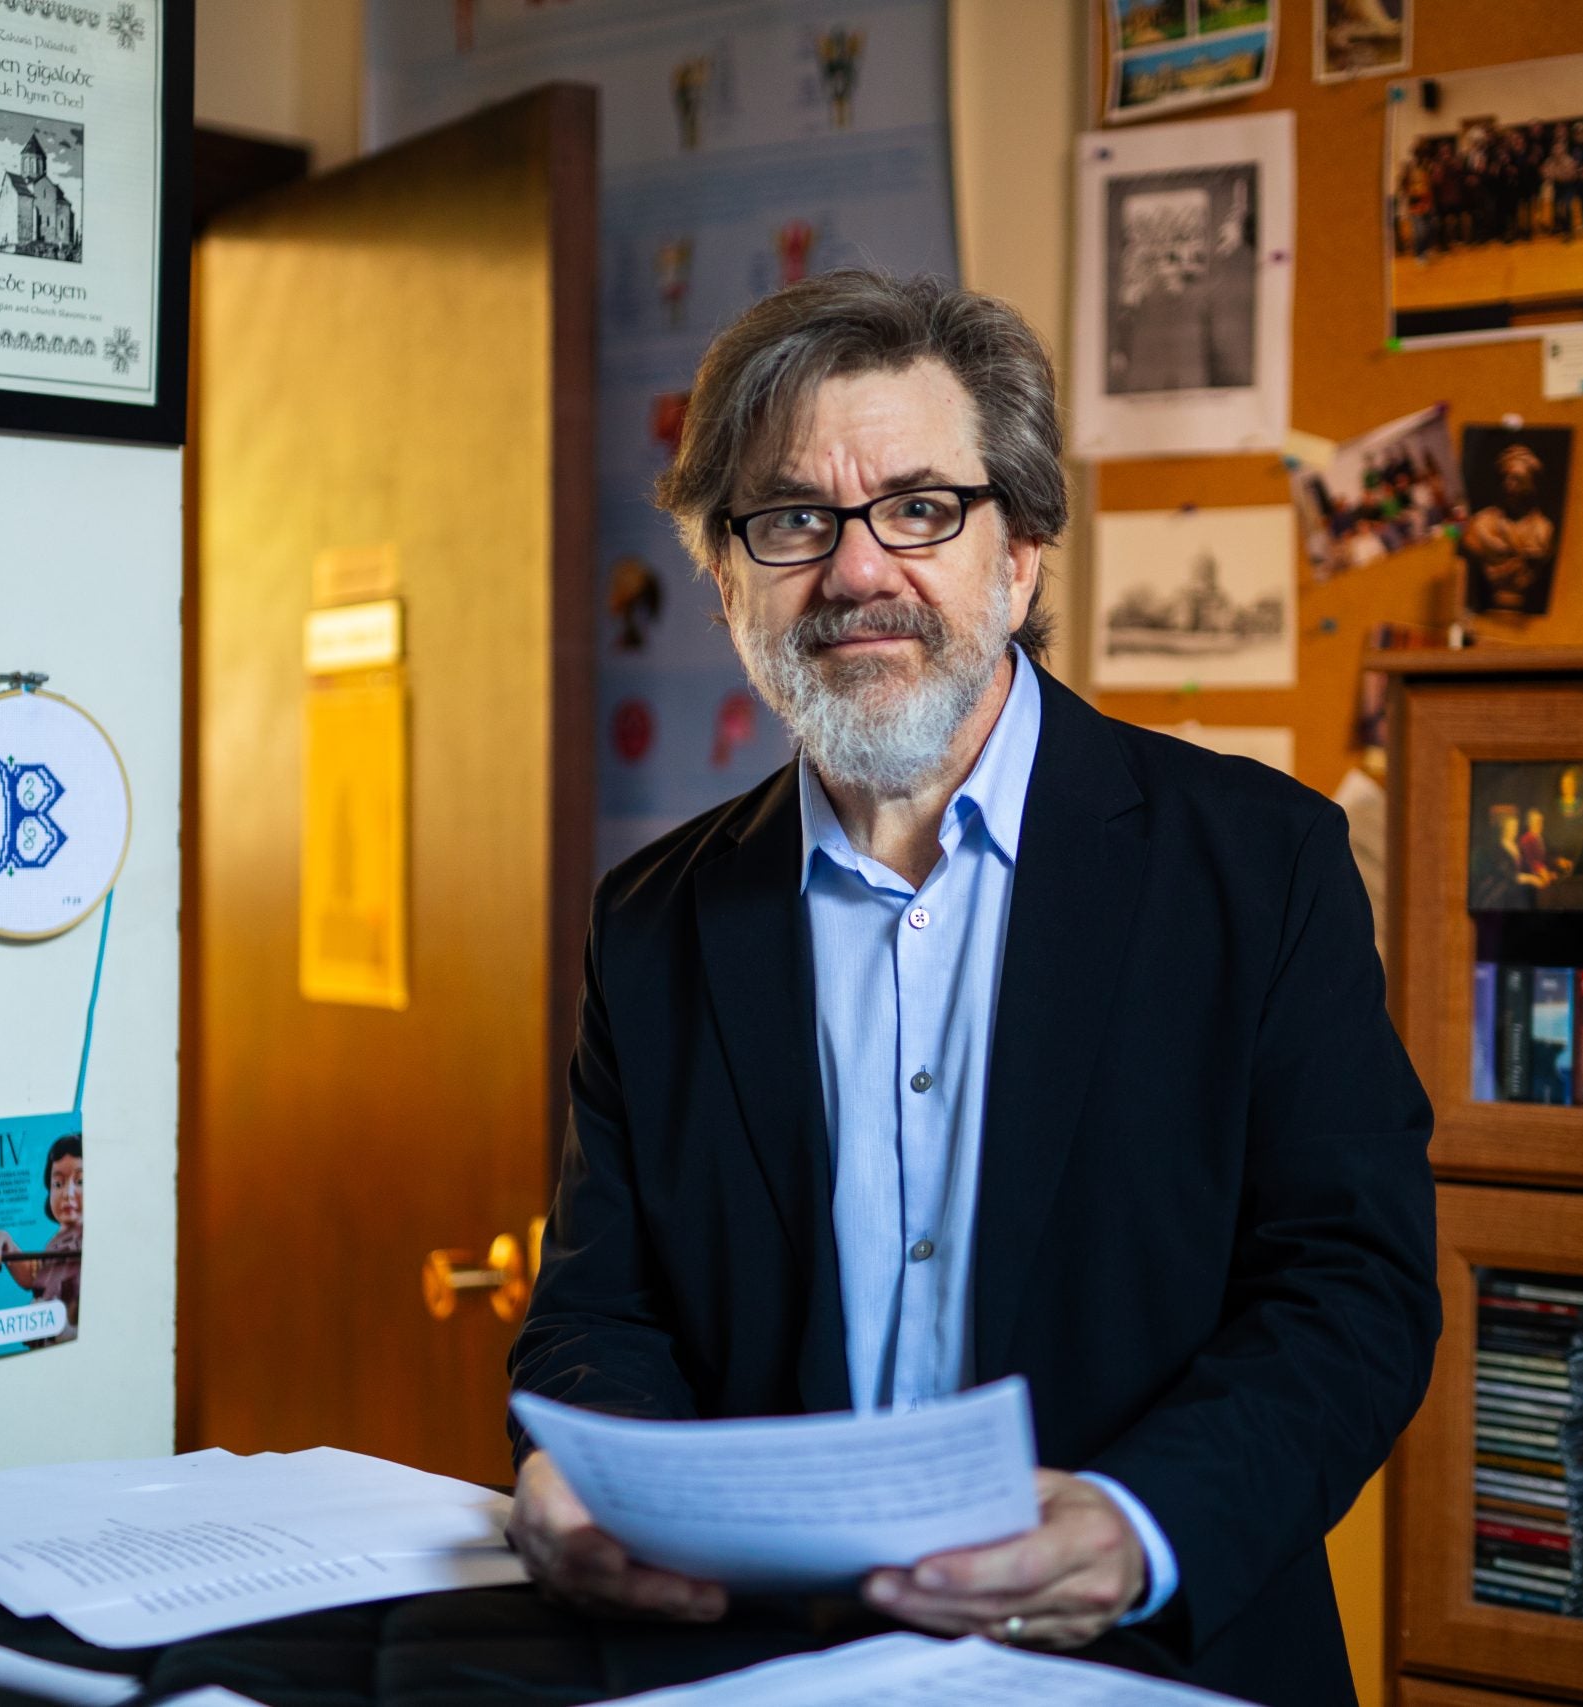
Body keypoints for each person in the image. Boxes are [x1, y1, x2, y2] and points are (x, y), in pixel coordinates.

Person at [504, 271, 1438, 1707]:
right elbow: (595, 1309)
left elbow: (1353, 1287)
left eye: (920, 508)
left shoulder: (1263, 865)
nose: (859, 570)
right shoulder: (654, 919)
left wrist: (1138, 1527)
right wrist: (580, 1477)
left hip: (1142, 1659)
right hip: (757, 1666)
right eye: (792, 518)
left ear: (1021, 556)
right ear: (727, 576)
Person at [0, 1135, 81, 1345]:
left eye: (80, 1181)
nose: (67, 1194)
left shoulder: (86, 1236)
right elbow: (32, 1276)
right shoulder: (55, 1243)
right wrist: (7, 1245)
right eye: (58, 1183)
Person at [1461, 443, 1556, 610]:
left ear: (1532, 485)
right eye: (1505, 478)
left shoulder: (1544, 529)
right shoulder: (1481, 524)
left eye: (1517, 479)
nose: (1508, 485)